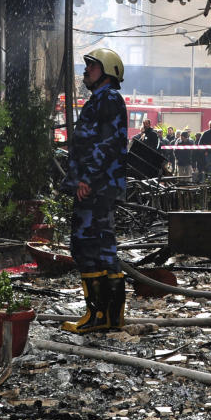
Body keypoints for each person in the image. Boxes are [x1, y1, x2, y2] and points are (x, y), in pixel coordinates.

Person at [63, 47, 129, 334]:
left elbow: (106, 144)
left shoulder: (108, 100)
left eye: (92, 66)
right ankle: (110, 318)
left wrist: (87, 178)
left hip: (96, 188)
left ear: (108, 71)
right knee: (103, 249)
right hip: (100, 186)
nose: (86, 71)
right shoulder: (102, 100)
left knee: (86, 247)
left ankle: (98, 316)